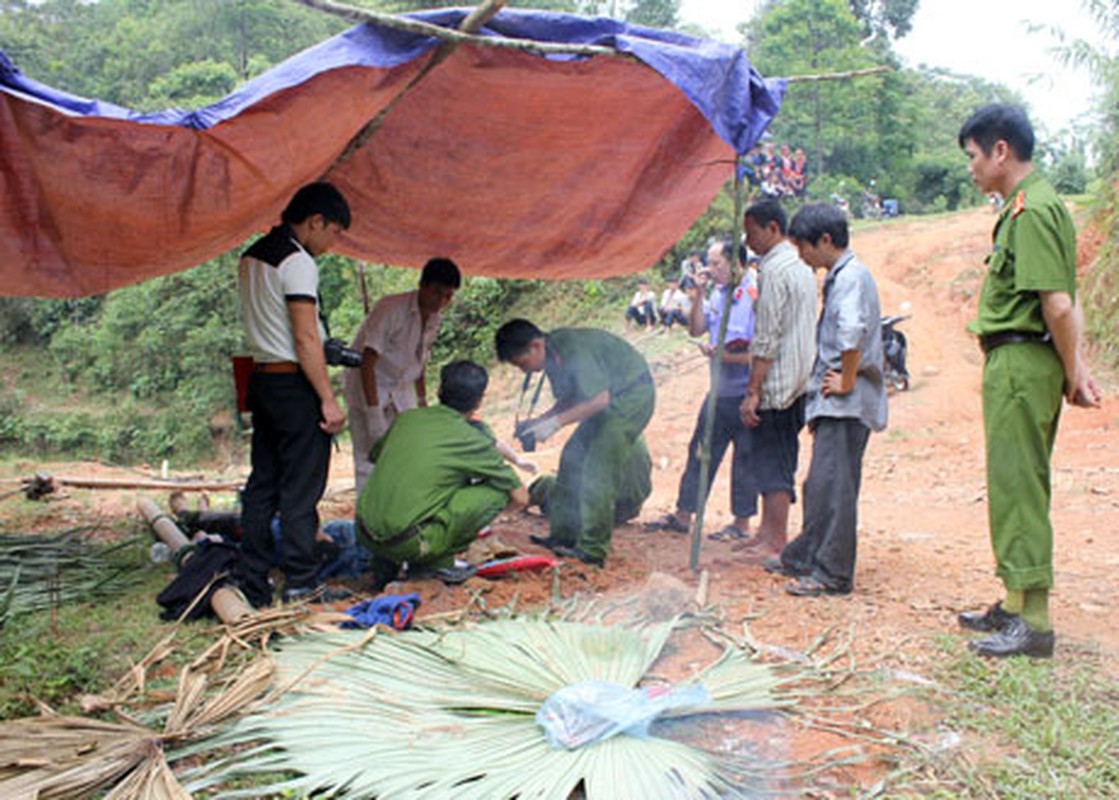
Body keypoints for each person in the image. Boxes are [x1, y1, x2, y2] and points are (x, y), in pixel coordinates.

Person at [955, 104, 1101, 658]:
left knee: (1020, 486)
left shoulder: (1033, 209)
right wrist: (1075, 368)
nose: (970, 168)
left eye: (973, 156)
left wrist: (1073, 372)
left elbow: (1058, 305)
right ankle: (1015, 601)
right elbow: (1065, 300)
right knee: (1012, 482)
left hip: (1021, 361)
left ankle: (1034, 621)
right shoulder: (1026, 206)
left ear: (1000, 151)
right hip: (1016, 361)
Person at [237, 181, 351, 606]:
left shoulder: (252, 256)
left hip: (262, 379)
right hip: (293, 384)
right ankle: (301, 581)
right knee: (301, 488)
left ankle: (254, 578)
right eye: (334, 232)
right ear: (315, 221)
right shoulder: (298, 260)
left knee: (263, 482)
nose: (333, 243)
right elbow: (305, 337)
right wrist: (327, 397)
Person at [764, 203, 886, 597]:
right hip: (835, 403)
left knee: (834, 486)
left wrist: (847, 379)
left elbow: (852, 331)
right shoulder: (842, 276)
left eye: (804, 247)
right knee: (820, 483)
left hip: (845, 405)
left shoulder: (850, 278)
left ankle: (833, 573)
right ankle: (805, 555)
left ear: (826, 240)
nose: (802, 256)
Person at [495, 319, 655, 567]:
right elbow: (572, 397)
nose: (524, 371)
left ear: (536, 345)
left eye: (523, 364)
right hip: (607, 402)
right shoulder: (553, 353)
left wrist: (554, 424)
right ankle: (564, 536)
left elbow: (599, 399)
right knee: (571, 459)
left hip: (630, 399)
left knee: (597, 469)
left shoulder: (573, 349)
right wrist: (539, 421)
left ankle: (593, 550)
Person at [355, 360, 528, 587]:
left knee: (428, 484)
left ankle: (385, 564)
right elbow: (521, 497)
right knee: (497, 492)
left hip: (364, 532)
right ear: (478, 402)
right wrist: (488, 521)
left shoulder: (408, 418)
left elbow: (376, 455)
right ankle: (434, 564)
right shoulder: (471, 439)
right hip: (408, 543)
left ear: (439, 390)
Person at [644, 240, 757, 542]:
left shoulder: (755, 294)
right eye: (709, 263)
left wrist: (722, 355)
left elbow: (761, 352)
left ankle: (741, 523)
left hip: (747, 391)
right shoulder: (718, 294)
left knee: (745, 457)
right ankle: (684, 514)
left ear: (737, 263)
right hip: (719, 391)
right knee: (701, 451)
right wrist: (698, 295)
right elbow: (696, 329)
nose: (711, 269)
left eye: (717, 263)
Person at [736, 200, 817, 559]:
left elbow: (767, 336)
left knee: (774, 459)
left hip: (779, 383)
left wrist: (753, 390)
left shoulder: (773, 271)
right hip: (798, 379)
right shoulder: (799, 264)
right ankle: (766, 532)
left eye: (752, 233)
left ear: (772, 229)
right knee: (775, 455)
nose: (748, 241)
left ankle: (775, 538)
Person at [343, 257, 461, 494]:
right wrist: (373, 413)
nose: (441, 301)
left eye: (448, 295)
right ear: (422, 285)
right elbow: (367, 361)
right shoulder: (390, 309)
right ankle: (369, 522)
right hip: (369, 390)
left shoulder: (435, 318)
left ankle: (399, 513)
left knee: (407, 453)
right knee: (369, 460)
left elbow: (420, 359)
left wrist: (422, 400)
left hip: (399, 391)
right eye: (437, 292)